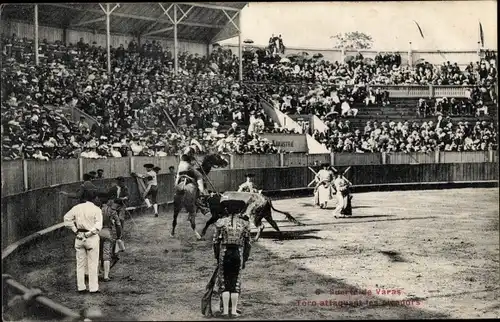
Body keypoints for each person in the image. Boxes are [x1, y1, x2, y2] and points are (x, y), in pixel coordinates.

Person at [213, 212, 252, 318]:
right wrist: (244, 259)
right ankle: (233, 311)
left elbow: (215, 242)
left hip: (225, 253)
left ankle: (225, 311)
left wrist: (217, 257)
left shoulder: (221, 222)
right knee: (235, 283)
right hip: (237, 254)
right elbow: (248, 244)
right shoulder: (244, 223)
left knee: (224, 283)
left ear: (226, 209)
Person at [63, 190, 103, 293]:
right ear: (94, 198)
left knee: (80, 264)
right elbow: (98, 227)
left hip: (79, 237)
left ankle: (81, 287)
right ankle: (93, 288)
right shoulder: (96, 209)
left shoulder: (77, 208)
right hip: (91, 238)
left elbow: (67, 219)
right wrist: (88, 234)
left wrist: (75, 231)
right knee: (93, 264)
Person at [99, 200, 122, 282]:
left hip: (97, 232)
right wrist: (119, 236)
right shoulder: (113, 212)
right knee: (107, 254)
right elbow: (118, 225)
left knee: (98, 253)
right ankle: (106, 276)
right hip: (107, 232)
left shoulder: (99, 209)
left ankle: (97, 273)